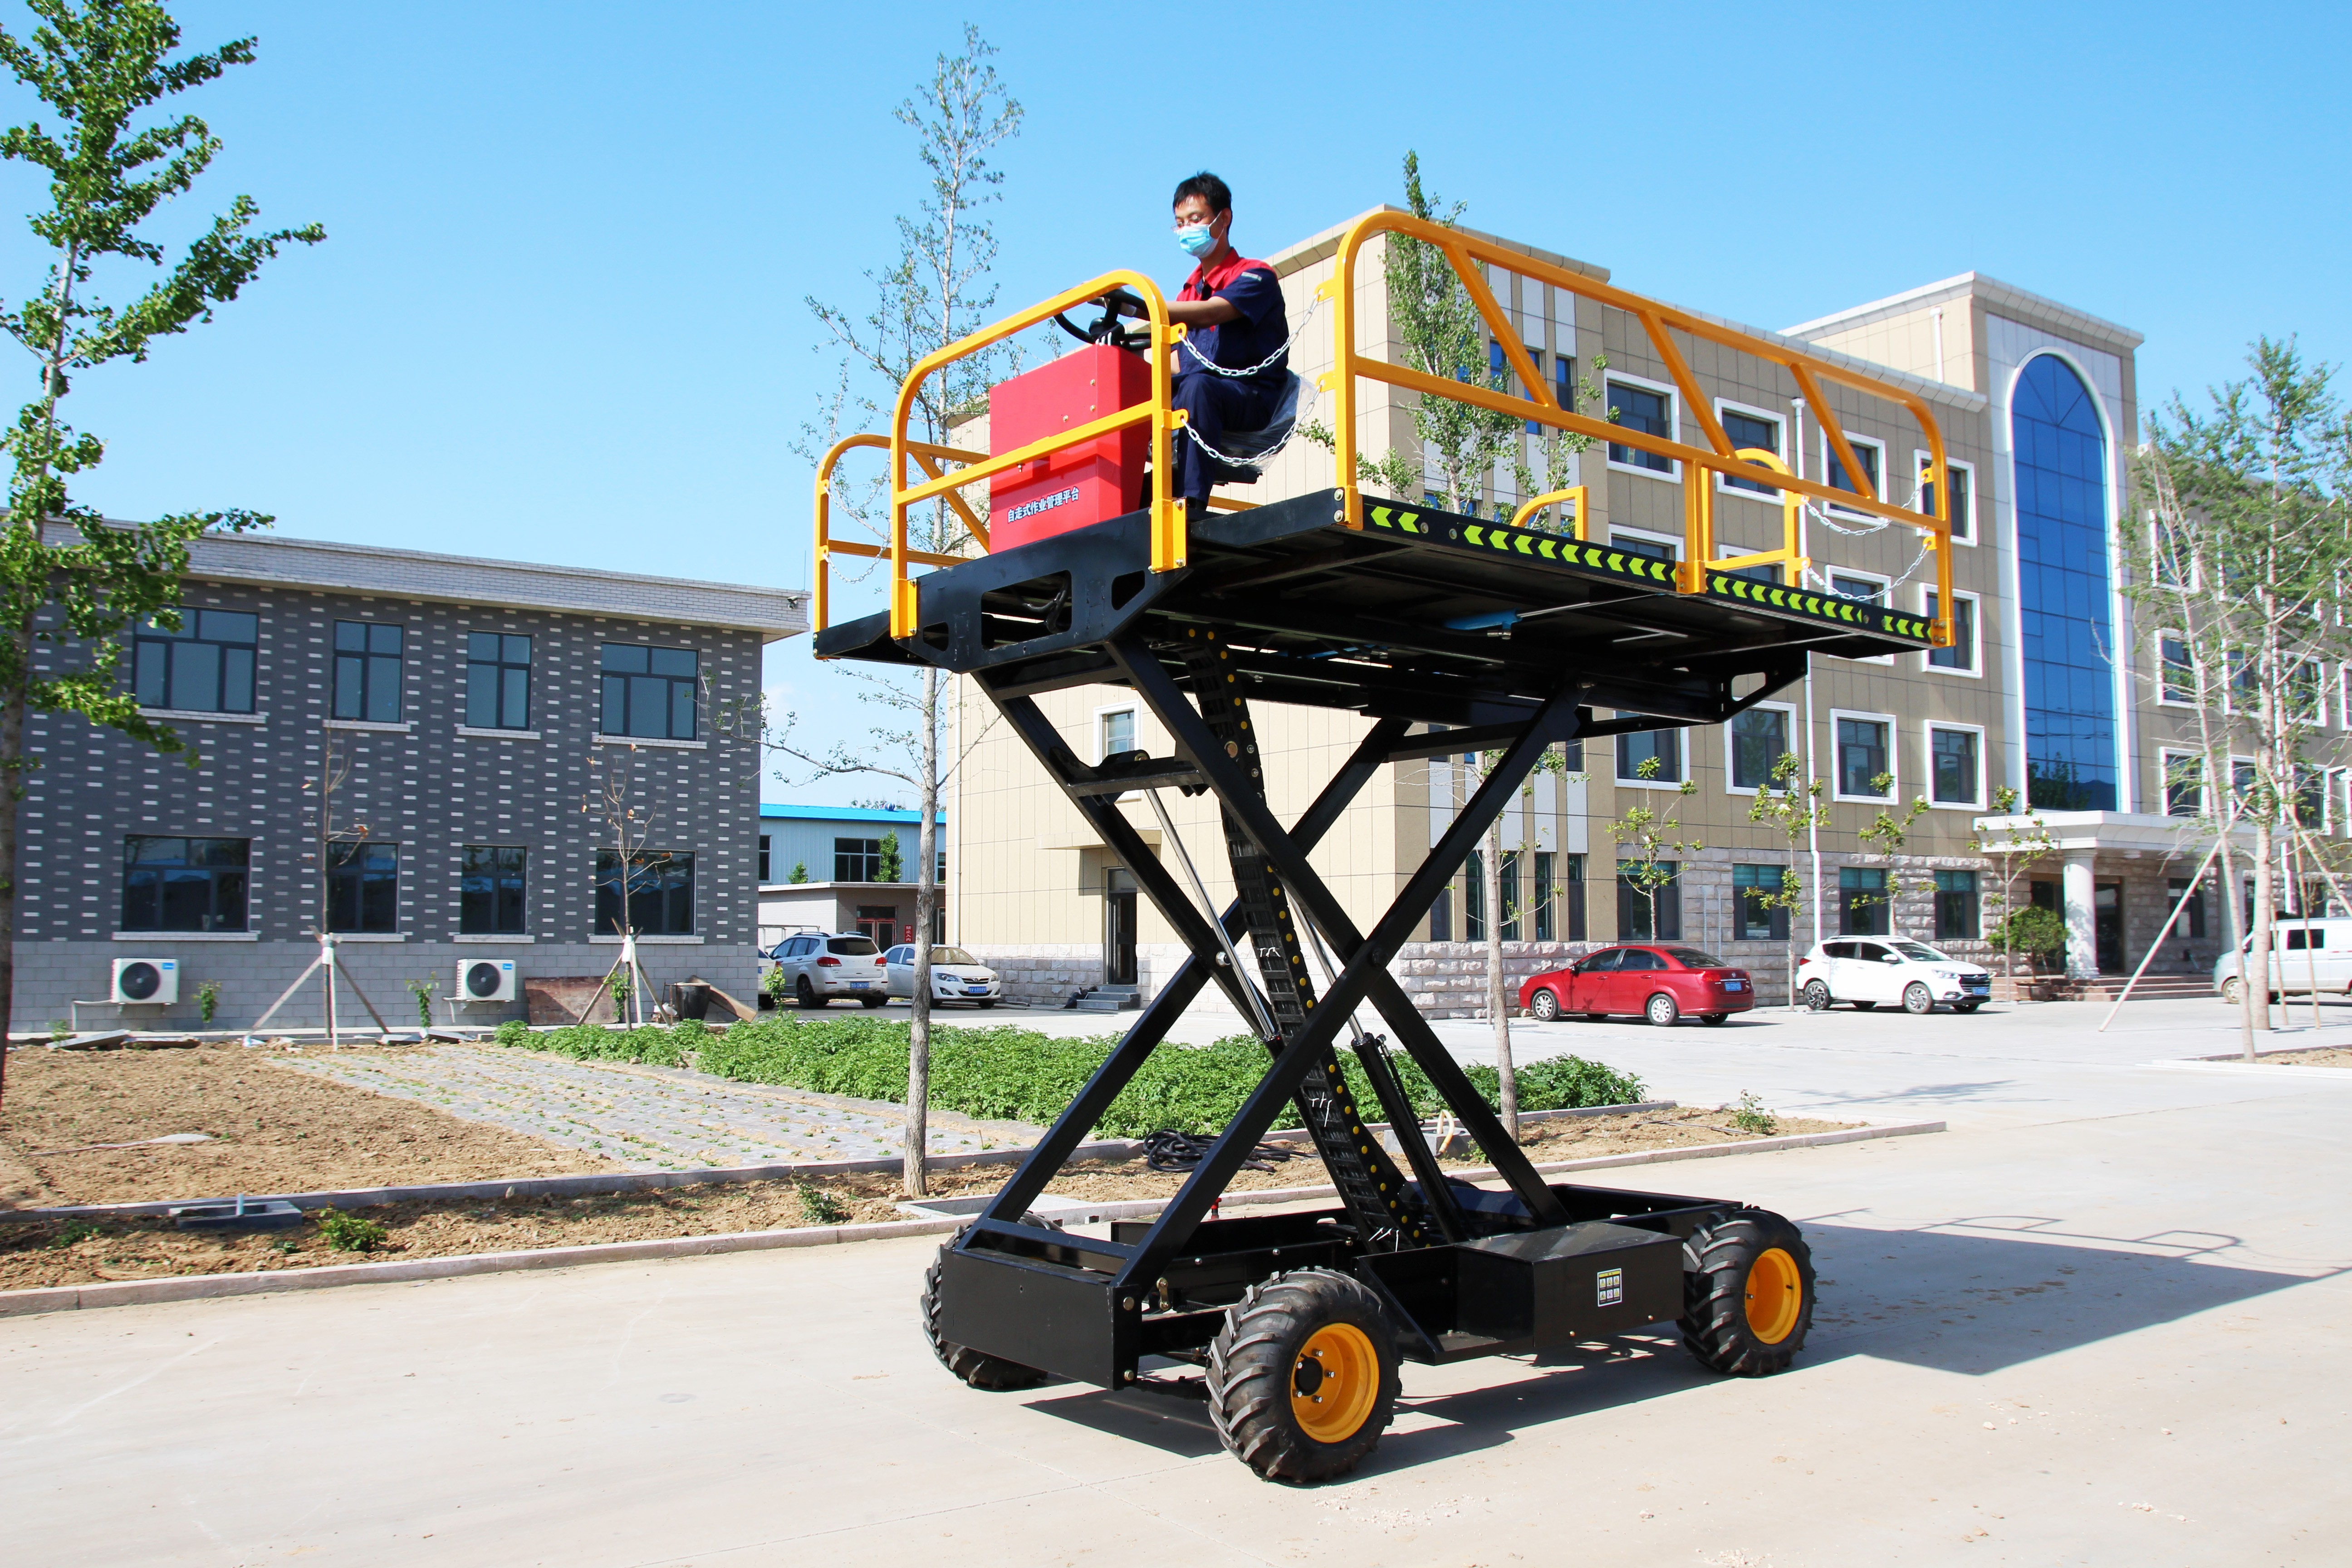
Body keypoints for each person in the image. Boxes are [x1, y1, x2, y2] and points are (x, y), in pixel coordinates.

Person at [1156, 172, 1289, 514]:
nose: (1187, 230)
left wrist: (1141, 307)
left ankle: (1189, 504)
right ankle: (1125, 495)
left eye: (1196, 219)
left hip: (1251, 397)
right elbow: (1179, 361)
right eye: (1180, 224)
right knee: (1131, 390)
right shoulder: (1188, 292)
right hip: (1202, 390)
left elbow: (1212, 313)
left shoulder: (1255, 276)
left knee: (1198, 388)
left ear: (1224, 218)